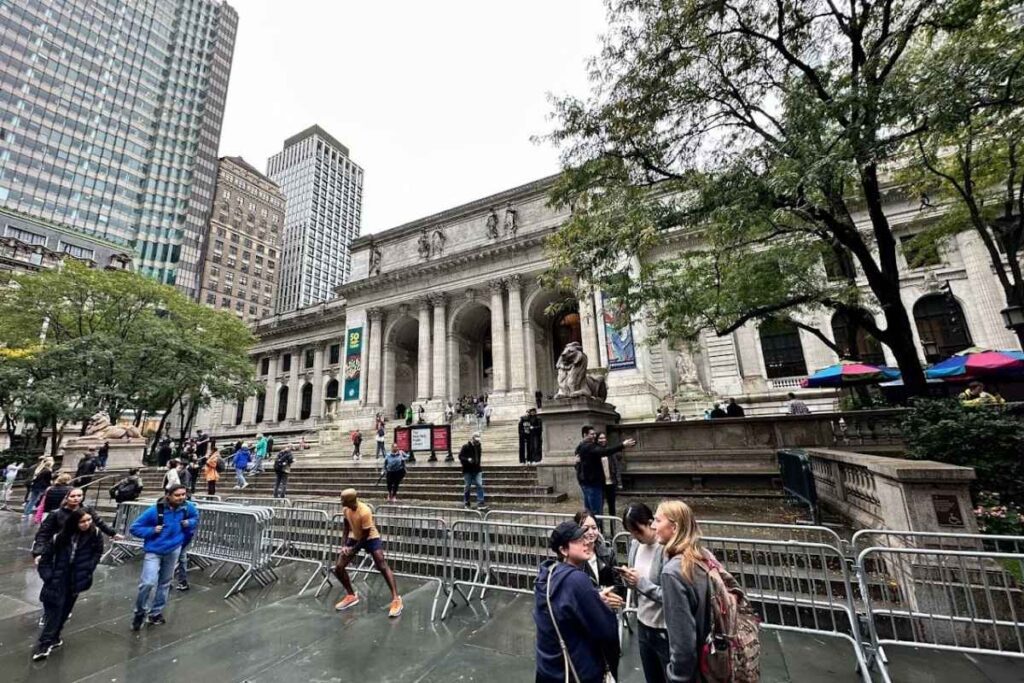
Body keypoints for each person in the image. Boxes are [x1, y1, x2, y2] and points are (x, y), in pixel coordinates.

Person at [534, 521, 621, 683]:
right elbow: (606, 630)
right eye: (579, 540)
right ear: (563, 550)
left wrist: (593, 599)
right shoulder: (576, 580)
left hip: (548, 670)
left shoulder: (548, 574)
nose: (586, 542)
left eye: (585, 538)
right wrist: (600, 606)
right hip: (577, 671)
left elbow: (563, 610)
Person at [31, 509, 105, 660]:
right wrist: (48, 576)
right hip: (59, 576)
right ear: (74, 523)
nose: (86, 524)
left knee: (65, 609)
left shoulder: (95, 534)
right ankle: (45, 643)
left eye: (89, 520)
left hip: (78, 576)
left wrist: (89, 567)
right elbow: (46, 558)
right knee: (55, 609)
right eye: (82, 521)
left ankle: (55, 637)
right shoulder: (60, 537)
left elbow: (98, 552)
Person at [655, 500, 711, 683]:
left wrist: (677, 677)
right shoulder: (703, 556)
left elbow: (683, 643)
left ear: (674, 527)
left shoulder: (673, 572)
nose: (653, 526)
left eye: (658, 520)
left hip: (694, 672)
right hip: (712, 659)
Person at [129, 485, 199, 630]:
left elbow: (195, 517)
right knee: (147, 583)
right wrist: (151, 530)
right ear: (168, 495)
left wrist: (189, 523)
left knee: (165, 582)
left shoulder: (188, 507)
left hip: (174, 549)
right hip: (154, 551)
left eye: (183, 494)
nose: (181, 498)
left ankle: (156, 613)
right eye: (177, 495)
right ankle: (140, 612)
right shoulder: (155, 511)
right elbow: (134, 528)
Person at [333, 488, 404, 618]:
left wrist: (353, 550)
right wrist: (344, 546)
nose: (341, 502)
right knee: (339, 567)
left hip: (370, 538)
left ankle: (396, 599)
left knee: (381, 564)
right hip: (355, 537)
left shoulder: (365, 511)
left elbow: (365, 536)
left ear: (350, 500)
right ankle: (351, 595)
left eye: (343, 500)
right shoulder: (346, 509)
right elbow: (346, 528)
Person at [619, 503, 669, 683]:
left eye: (638, 531)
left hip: (664, 628)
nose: (635, 536)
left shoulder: (665, 549)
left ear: (650, 523)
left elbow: (670, 596)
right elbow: (634, 586)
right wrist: (628, 579)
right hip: (643, 623)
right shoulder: (635, 546)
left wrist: (640, 582)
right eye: (631, 532)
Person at [576, 426, 636, 521]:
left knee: (591, 511)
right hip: (593, 484)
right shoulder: (588, 447)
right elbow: (604, 451)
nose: (594, 436)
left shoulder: (583, 446)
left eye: (594, 434)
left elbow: (614, 465)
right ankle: (596, 528)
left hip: (592, 483)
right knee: (596, 513)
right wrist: (622, 445)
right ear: (585, 435)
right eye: (592, 434)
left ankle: (595, 527)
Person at [573, 509, 624, 594]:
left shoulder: (608, 553)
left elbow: (618, 584)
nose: (590, 532)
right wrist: (598, 594)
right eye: (586, 528)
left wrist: (607, 594)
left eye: (594, 528)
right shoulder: (573, 556)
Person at [595, 433, 622, 517]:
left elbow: (616, 466)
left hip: (611, 481)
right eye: (600, 438)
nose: (603, 440)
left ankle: (612, 522)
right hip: (600, 482)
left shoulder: (610, 451)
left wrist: (619, 481)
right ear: (596, 440)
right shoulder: (595, 451)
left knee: (612, 504)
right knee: (600, 504)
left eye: (604, 438)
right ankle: (600, 522)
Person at [459, 432, 487, 510]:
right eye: (476, 440)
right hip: (468, 470)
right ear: (473, 439)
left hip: (477, 469)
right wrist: (467, 459)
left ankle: (480, 502)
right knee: (467, 486)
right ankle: (467, 502)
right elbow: (460, 456)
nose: (477, 442)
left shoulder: (479, 446)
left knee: (479, 484)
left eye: (478, 440)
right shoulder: (466, 446)